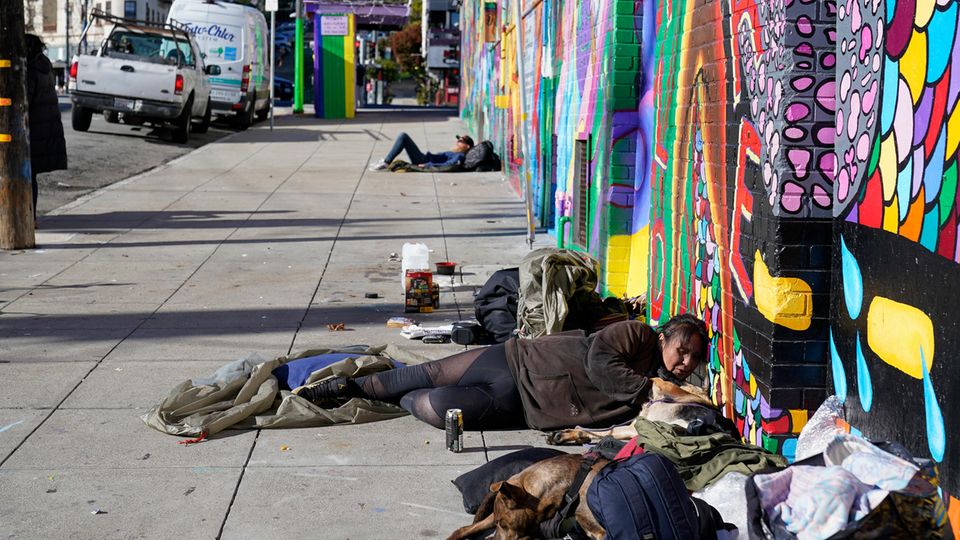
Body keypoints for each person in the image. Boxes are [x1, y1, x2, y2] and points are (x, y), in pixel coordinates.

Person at [294, 314, 708, 432]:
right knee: (428, 373)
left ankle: (380, 398)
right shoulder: (636, 334)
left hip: (527, 406)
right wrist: (650, 387)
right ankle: (345, 386)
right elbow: (601, 363)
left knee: (435, 407)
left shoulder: (664, 394)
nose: (684, 362)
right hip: (517, 359)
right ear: (665, 337)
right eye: (681, 350)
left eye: (693, 360)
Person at [24, 34, 68, 226]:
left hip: (32, 131)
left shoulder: (30, 71)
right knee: (29, 174)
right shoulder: (44, 65)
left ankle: (28, 217)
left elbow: (25, 100)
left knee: (25, 173)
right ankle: (31, 216)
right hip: (44, 130)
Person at [369, 133, 475, 171]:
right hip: (424, 158)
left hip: (423, 160)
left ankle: (386, 162)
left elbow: (447, 165)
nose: (458, 141)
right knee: (403, 137)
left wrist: (427, 165)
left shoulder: (460, 155)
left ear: (467, 146)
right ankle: (386, 161)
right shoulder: (457, 152)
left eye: (461, 141)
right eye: (458, 139)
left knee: (403, 137)